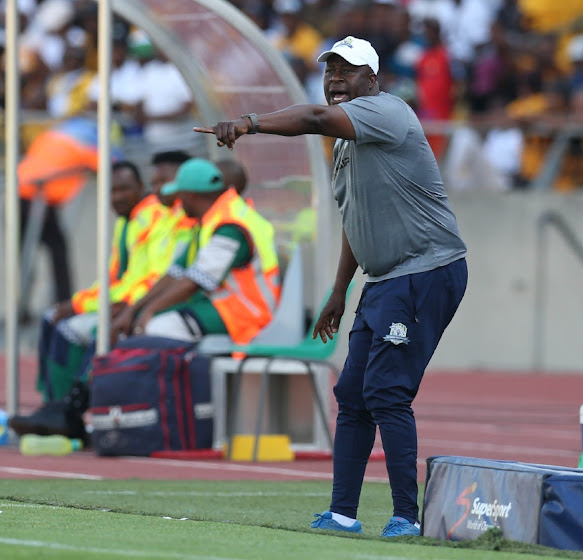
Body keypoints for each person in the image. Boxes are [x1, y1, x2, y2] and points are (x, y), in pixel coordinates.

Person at [195, 36, 468, 537]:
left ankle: (406, 516)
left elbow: (315, 119)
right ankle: (343, 513)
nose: (336, 79)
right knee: (352, 391)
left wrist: (250, 123)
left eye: (348, 70)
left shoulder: (387, 112)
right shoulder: (347, 142)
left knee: (386, 391)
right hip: (387, 276)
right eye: (330, 71)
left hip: (426, 267)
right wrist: (340, 289)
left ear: (373, 80)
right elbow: (354, 219)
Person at [9, 160, 168, 440]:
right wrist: (81, 301)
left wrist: (82, 304)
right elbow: (115, 279)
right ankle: (52, 406)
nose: (117, 197)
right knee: (53, 318)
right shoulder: (127, 221)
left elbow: (148, 280)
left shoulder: (153, 218)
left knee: (78, 329)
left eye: (124, 189)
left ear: (141, 188)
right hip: (124, 300)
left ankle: (69, 411)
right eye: (111, 190)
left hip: (136, 306)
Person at [110, 158, 280, 346]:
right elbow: (175, 274)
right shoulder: (209, 221)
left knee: (158, 328)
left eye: (179, 196)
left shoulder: (231, 226)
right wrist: (134, 310)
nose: (178, 203)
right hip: (222, 306)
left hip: (247, 311)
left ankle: (191, 375)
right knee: (144, 322)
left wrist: (150, 311)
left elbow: (196, 280)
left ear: (189, 196)